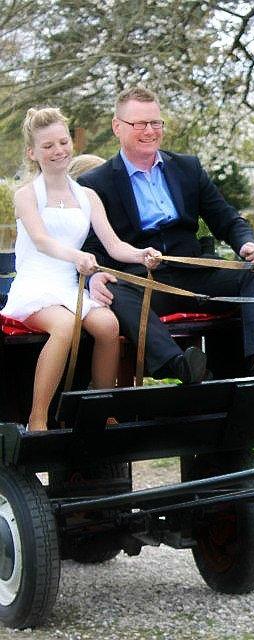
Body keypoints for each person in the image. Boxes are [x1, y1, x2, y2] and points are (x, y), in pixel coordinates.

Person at [77, 86, 254, 384]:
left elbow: (226, 218)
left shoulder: (187, 168)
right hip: (143, 280)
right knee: (118, 292)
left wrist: (247, 243)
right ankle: (177, 365)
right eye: (139, 124)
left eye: (155, 123)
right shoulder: (95, 182)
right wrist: (94, 276)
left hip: (194, 272)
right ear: (117, 127)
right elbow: (90, 245)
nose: (149, 131)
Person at [0, 107, 161, 431]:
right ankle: (38, 417)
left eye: (62, 142)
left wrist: (142, 254)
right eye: (48, 146)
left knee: (107, 325)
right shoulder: (26, 195)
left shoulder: (87, 196)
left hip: (67, 288)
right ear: (33, 153)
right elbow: (42, 241)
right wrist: (76, 256)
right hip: (35, 287)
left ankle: (100, 408)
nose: (58, 150)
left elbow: (114, 245)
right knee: (65, 326)